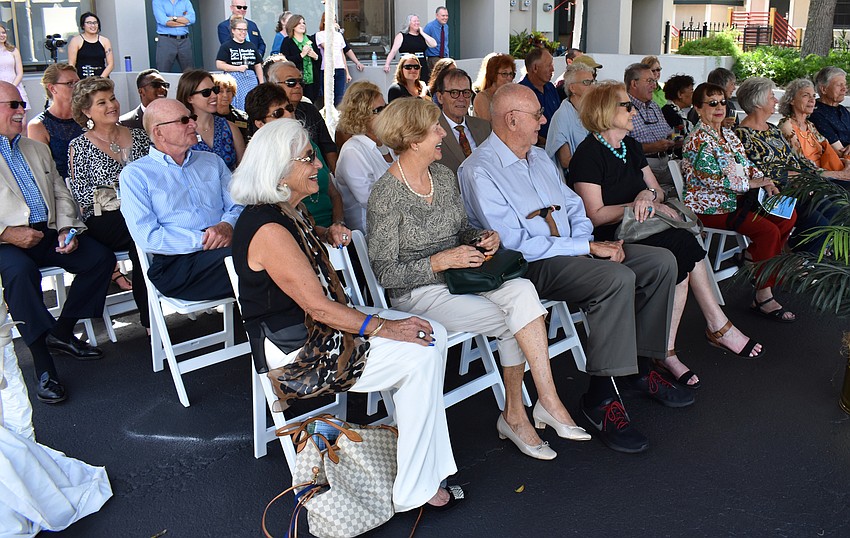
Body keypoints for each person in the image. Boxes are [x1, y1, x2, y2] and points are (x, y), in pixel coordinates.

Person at [229, 117, 463, 512]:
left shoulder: (287, 209)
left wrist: (325, 232)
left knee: (431, 334)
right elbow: (317, 305)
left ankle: (424, 471)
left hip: (321, 328)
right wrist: (388, 327)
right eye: (307, 158)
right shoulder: (267, 227)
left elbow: (302, 250)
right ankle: (415, 488)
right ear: (279, 170)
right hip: (299, 352)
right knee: (422, 350)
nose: (318, 165)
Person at [459, 83, 689, 455]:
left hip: (572, 251)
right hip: (530, 266)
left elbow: (575, 207)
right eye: (536, 115)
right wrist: (584, 247)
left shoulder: (537, 157)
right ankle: (600, 399)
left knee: (662, 262)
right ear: (512, 119)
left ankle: (640, 369)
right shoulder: (479, 170)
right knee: (617, 278)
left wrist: (586, 243)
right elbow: (515, 244)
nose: (544, 119)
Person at [368, 97, 591, 462]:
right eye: (434, 128)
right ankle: (518, 415)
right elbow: (386, 272)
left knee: (522, 290)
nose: (444, 132)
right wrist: (439, 261)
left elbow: (460, 230)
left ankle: (545, 402)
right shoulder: (386, 194)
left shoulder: (441, 176)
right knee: (518, 318)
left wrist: (480, 237)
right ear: (411, 139)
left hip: (463, 277)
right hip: (418, 292)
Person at [569, 81, 764, 386]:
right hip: (613, 235)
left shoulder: (629, 146)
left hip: (645, 226)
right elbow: (595, 215)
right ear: (607, 111)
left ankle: (672, 348)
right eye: (627, 105)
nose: (634, 110)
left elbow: (656, 190)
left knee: (681, 256)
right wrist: (637, 205)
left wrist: (648, 197)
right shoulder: (588, 155)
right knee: (683, 245)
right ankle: (713, 328)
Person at [0, 81, 115, 404]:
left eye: (22, 103)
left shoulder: (34, 148)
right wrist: (7, 234)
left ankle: (61, 332)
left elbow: (60, 193)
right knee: (21, 275)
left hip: (47, 231)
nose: (22, 110)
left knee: (100, 258)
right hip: (5, 240)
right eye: (13, 105)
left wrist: (67, 228)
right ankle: (43, 365)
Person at [683, 82, 798, 323]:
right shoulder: (697, 139)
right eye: (712, 103)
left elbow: (746, 165)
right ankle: (763, 295)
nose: (719, 108)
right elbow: (708, 179)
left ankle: (754, 257)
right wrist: (749, 185)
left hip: (739, 201)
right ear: (697, 107)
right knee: (767, 231)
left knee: (788, 215)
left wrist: (764, 181)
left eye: (723, 102)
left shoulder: (727, 134)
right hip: (711, 206)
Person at [119, 98, 242, 301]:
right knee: (256, 261)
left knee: (266, 254)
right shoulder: (136, 175)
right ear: (159, 132)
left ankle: (268, 329)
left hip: (225, 248)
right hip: (177, 265)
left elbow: (238, 204)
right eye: (184, 120)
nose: (193, 124)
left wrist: (227, 226)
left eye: (191, 117)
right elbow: (148, 237)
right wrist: (205, 240)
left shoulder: (211, 161)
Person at [67, 76, 151, 329]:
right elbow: (82, 195)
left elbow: (155, 176)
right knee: (143, 237)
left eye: (112, 98)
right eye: (101, 102)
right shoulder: (79, 146)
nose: (111, 105)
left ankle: (157, 314)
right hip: (104, 217)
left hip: (142, 209)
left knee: (143, 241)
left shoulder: (139, 136)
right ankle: (151, 322)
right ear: (86, 111)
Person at [244, 83, 339, 230]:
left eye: (289, 108)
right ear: (260, 123)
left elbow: (334, 193)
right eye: (278, 113)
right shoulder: (262, 160)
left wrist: (338, 224)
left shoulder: (308, 146)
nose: (288, 115)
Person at [335, 81, 394, 232]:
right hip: (372, 232)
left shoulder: (389, 142)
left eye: (386, 107)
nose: (386, 113)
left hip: (396, 224)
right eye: (379, 110)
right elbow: (370, 201)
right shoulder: (352, 151)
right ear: (362, 115)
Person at [267, 60, 340, 175]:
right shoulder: (267, 116)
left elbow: (328, 146)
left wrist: (337, 177)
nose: (298, 86)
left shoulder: (310, 110)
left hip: (319, 174)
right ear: (274, 86)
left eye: (301, 82)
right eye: (291, 82)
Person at [177, 69, 245, 171]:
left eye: (215, 90)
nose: (214, 96)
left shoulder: (230, 128)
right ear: (189, 98)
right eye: (206, 92)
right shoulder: (179, 131)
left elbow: (243, 168)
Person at [626, 62, 677, 196]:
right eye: (649, 81)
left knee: (689, 181)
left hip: (665, 162)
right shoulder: (624, 108)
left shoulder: (654, 106)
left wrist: (675, 140)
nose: (654, 86)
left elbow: (668, 133)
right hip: (641, 166)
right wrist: (651, 147)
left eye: (654, 81)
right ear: (634, 84)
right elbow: (622, 146)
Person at [778, 78, 850, 172]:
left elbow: (828, 150)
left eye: (813, 96)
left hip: (826, 173)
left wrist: (846, 162)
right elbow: (802, 163)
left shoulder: (810, 125)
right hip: (810, 178)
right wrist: (836, 174)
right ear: (792, 100)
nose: (812, 100)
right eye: (805, 96)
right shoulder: (787, 125)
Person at [26, 64, 82, 178]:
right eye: (70, 83)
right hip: (61, 187)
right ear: (52, 88)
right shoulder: (38, 125)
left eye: (78, 83)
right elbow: (43, 169)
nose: (77, 88)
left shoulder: (87, 116)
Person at [434, 69, 491, 175]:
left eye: (466, 93)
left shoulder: (485, 127)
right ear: (440, 97)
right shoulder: (429, 130)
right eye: (454, 93)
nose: (461, 98)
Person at [544, 63, 594, 175]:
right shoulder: (562, 116)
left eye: (593, 82)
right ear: (572, 88)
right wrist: (597, 163)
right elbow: (565, 161)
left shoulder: (593, 111)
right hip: (577, 177)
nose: (592, 86)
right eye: (587, 82)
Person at [215, 17, 264, 110]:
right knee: (239, 105)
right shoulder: (226, 46)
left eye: (245, 29)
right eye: (240, 29)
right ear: (233, 30)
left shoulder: (251, 46)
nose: (243, 32)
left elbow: (257, 65)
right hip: (234, 79)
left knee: (252, 104)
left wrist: (261, 83)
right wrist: (237, 68)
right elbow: (219, 64)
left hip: (251, 80)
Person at [518, 47, 558, 145]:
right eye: (549, 65)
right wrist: (546, 143)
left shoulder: (550, 87)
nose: (552, 69)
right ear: (535, 68)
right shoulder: (520, 93)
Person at [809, 66, 850, 157]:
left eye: (845, 85)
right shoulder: (816, 114)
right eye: (839, 85)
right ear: (824, 89)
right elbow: (841, 152)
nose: (844, 89)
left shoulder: (843, 110)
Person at [280, 15, 321, 104]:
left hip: (312, 80)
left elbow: (319, 59)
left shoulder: (310, 39)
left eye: (303, 23)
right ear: (292, 26)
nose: (302, 25)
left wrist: (315, 56)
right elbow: (285, 61)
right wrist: (301, 55)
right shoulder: (287, 41)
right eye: (299, 23)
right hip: (296, 81)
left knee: (311, 103)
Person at [383, 14, 437, 82]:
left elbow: (434, 44)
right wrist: (387, 64)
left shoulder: (422, 36)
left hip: (421, 64)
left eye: (418, 21)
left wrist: (422, 33)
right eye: (414, 21)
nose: (417, 23)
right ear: (409, 23)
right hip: (407, 63)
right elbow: (393, 51)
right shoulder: (402, 35)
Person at [315, 12, 351, 107]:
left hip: (340, 68)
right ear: (324, 21)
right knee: (328, 97)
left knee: (340, 97)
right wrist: (332, 31)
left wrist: (347, 71)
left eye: (334, 19)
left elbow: (342, 53)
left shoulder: (339, 36)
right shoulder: (320, 35)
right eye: (330, 19)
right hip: (327, 68)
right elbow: (328, 47)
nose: (333, 21)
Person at [152, 0, 195, 72]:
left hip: (184, 41)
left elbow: (192, 19)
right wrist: (183, 22)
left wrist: (172, 18)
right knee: (163, 71)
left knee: (189, 73)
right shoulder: (158, 1)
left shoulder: (185, 1)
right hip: (166, 40)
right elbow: (163, 21)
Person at [67, 12, 113, 79]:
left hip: (101, 80)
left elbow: (110, 64)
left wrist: (100, 79)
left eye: (95, 22)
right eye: (89, 23)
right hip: (82, 80)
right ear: (83, 25)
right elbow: (71, 65)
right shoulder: (75, 41)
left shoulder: (105, 41)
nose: (93, 25)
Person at [472, 53, 516, 122]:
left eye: (511, 74)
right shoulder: (483, 97)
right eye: (504, 74)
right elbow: (488, 125)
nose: (509, 78)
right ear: (493, 75)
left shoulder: (512, 96)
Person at [212, 73, 249, 142]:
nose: (225, 95)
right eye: (221, 91)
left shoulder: (242, 117)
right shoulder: (208, 118)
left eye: (228, 91)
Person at [0, 24, 28, 109]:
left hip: (15, 85)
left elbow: (20, 73)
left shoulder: (13, 50)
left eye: (3, 32)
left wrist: (13, 87)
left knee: (21, 115)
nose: (2, 35)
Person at [423, 6, 449, 72]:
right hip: (434, 57)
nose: (445, 18)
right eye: (443, 16)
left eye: (446, 16)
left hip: (444, 57)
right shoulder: (430, 27)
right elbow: (423, 41)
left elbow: (445, 42)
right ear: (437, 16)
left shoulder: (446, 27)